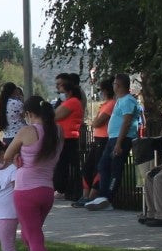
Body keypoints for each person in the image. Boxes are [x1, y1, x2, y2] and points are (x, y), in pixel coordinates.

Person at [6, 95, 63, 251]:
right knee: (32, 237)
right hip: (46, 190)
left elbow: (6, 155)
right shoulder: (57, 131)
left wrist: (16, 157)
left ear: (29, 114)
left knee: (34, 239)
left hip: (25, 190)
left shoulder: (27, 131)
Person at [84, 74, 139, 211]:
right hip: (113, 138)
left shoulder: (127, 100)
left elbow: (127, 121)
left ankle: (108, 198)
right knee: (103, 166)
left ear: (118, 85)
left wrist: (119, 143)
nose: (113, 86)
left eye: (114, 84)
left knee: (115, 168)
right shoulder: (120, 100)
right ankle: (102, 195)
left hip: (121, 139)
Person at [74, 78, 117, 206]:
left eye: (101, 90)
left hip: (104, 139)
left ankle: (92, 196)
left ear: (105, 90)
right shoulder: (105, 104)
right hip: (97, 139)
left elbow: (98, 122)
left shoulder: (111, 104)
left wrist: (95, 122)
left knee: (98, 168)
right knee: (87, 167)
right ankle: (85, 195)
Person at [52, 74, 85, 201]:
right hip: (67, 136)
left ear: (69, 92)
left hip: (68, 136)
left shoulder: (72, 102)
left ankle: (63, 188)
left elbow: (55, 115)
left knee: (64, 164)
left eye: (62, 92)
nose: (61, 94)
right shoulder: (71, 102)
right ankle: (67, 189)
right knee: (66, 164)